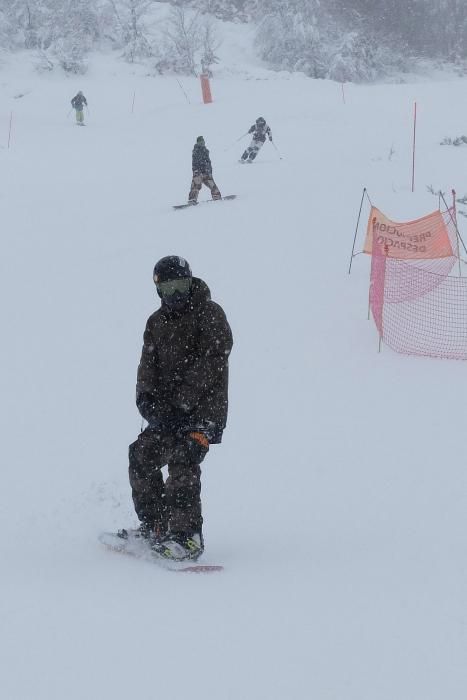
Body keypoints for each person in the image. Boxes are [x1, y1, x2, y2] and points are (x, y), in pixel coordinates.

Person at [124, 255, 233, 561]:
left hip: (203, 413)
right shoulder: (156, 323)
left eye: (180, 287)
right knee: (141, 455)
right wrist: (147, 400)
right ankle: (156, 526)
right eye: (168, 289)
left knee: (184, 461)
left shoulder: (209, 313)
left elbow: (214, 357)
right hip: (169, 412)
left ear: (190, 283)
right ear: (158, 291)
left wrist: (183, 400)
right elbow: (148, 365)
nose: (175, 296)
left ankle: (188, 538)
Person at [188, 136, 222, 204]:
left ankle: (216, 196)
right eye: (200, 142)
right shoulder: (196, 150)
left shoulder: (206, 151)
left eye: (203, 142)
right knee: (196, 185)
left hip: (206, 172)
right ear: (198, 142)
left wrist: (210, 171)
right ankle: (192, 199)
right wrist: (196, 170)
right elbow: (196, 162)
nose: (202, 143)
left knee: (212, 184)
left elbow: (208, 162)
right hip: (198, 172)